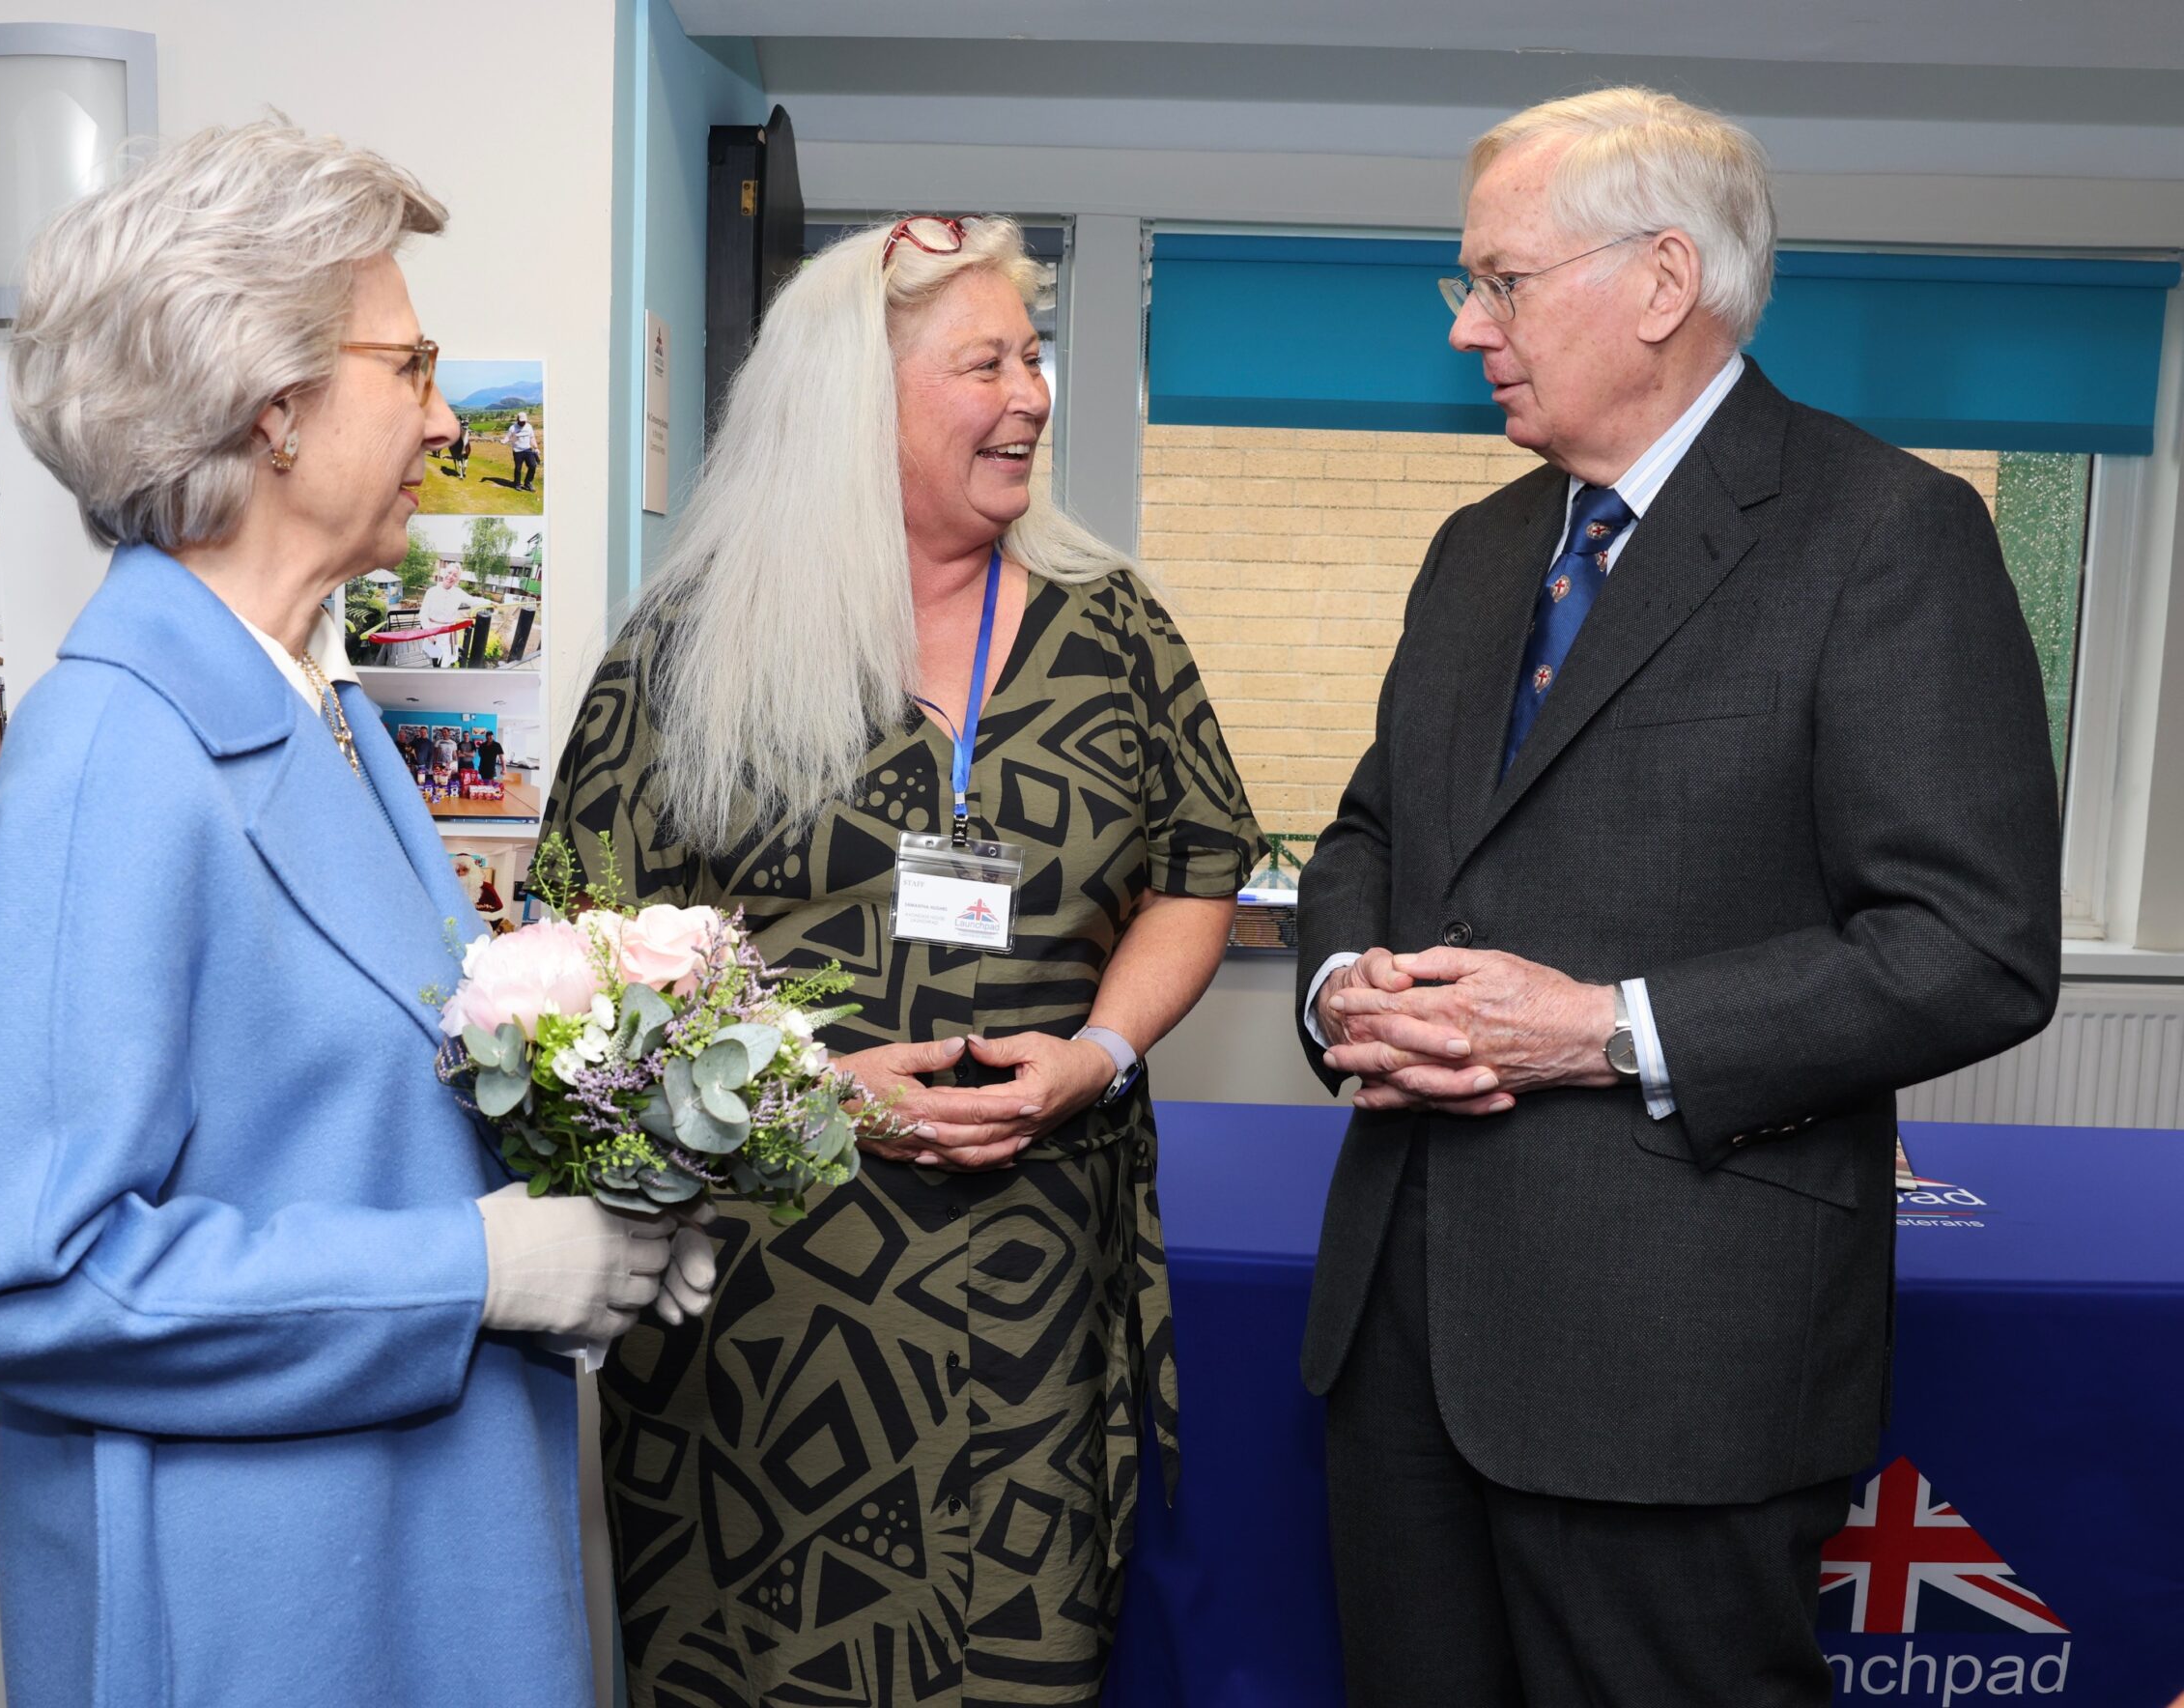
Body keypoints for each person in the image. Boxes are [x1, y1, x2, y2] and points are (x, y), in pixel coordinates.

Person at [0, 118, 707, 1708]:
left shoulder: (315, 709)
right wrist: (480, 1272)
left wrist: (606, 1212)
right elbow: (18, 1268)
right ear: (275, 411)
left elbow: (355, 1121)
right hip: (257, 1608)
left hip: (396, 1553)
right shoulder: (117, 755)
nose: (441, 415)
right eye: (409, 369)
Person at [1294, 88, 2062, 1705]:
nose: (1463, 328)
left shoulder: (1887, 535)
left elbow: (1973, 946)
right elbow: (1373, 826)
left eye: (1499, 281)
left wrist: (1604, 1028)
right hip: (1403, 1338)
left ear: (1658, 282)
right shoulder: (1478, 549)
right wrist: (1346, 976)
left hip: (1677, 1361)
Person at [547, 213, 1262, 1706]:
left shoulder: (1112, 625)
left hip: (1032, 1295)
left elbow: (1198, 871)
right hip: (764, 1309)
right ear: (850, 406)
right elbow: (582, 975)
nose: (1031, 394)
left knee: (1025, 1663)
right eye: (983, 362)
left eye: (1034, 356)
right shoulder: (693, 647)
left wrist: (1103, 1050)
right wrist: (812, 1085)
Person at [506, 412, 538, 489]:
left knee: (533, 465)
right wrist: (504, 441)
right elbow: (507, 437)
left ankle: (528, 483)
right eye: (521, 421)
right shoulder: (512, 428)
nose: (523, 422)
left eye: (524, 421)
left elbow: (532, 438)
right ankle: (517, 484)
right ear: (518, 419)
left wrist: (536, 447)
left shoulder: (529, 427)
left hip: (528, 450)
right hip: (517, 451)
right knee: (518, 468)